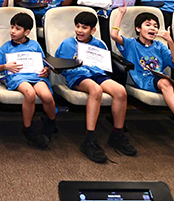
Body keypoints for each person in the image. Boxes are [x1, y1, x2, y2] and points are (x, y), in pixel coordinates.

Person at [112, 5, 174, 155]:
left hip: (162, 80)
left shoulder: (159, 46)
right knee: (165, 82)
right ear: (138, 28)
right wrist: (121, 14)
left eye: (156, 26)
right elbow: (114, 35)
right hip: (145, 80)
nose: (153, 28)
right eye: (148, 25)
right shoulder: (131, 44)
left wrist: (169, 41)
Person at [55, 12, 136, 163]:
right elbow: (60, 65)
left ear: (92, 30)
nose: (80, 30)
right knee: (95, 90)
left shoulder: (99, 44)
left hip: (97, 73)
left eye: (84, 28)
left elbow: (105, 66)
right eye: (77, 26)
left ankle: (117, 134)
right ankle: (89, 138)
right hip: (78, 76)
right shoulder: (67, 43)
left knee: (120, 91)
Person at [0, 13, 56, 148]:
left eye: (17, 28)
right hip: (17, 77)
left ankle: (51, 122)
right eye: (12, 27)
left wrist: (46, 71)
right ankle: (28, 129)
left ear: (27, 32)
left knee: (47, 96)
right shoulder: (6, 47)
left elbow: (44, 64)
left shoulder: (35, 45)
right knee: (30, 93)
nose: (13, 31)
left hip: (36, 76)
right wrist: (5, 66)